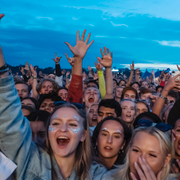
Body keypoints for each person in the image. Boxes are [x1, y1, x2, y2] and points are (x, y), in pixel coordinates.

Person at [0, 29, 106, 179]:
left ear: (83, 134)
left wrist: (78, 62)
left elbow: (75, 99)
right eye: (56, 123)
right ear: (48, 131)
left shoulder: (98, 175)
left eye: (73, 125)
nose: (63, 129)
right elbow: (9, 119)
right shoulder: (29, 162)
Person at [102, 124, 175, 180]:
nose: (141, 160)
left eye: (152, 155)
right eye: (136, 150)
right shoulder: (109, 177)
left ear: (166, 160)